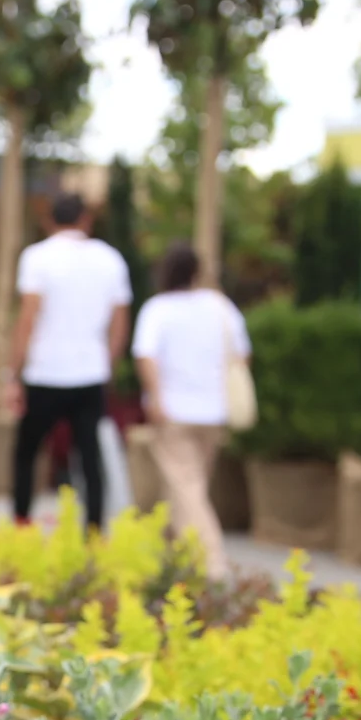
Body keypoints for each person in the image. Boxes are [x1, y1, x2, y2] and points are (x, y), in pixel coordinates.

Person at [6, 189, 133, 527]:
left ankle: (21, 521)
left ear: (49, 221)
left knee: (27, 453)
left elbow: (27, 318)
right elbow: (120, 321)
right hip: (90, 373)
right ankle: (93, 530)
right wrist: (108, 361)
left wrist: (12, 374)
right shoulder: (110, 259)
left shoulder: (37, 257)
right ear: (86, 220)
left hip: (44, 372)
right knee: (89, 458)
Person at [132, 241, 252, 579]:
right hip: (214, 411)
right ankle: (173, 561)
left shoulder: (159, 309)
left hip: (174, 410)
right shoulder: (221, 308)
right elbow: (241, 355)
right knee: (189, 487)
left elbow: (146, 356)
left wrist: (155, 397)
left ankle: (212, 563)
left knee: (187, 490)